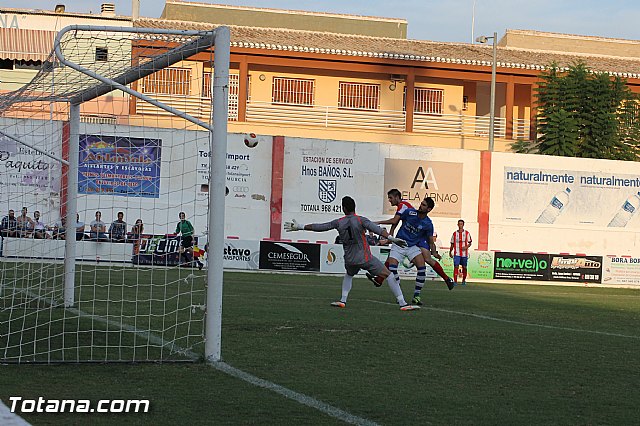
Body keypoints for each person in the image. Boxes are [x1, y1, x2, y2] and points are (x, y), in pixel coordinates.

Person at [284, 196, 419, 311]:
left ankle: (343, 300)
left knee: (349, 274)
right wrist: (391, 238)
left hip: (349, 258)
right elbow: (377, 229)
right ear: (354, 207)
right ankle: (403, 303)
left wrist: (300, 226)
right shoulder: (361, 220)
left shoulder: (339, 222)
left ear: (344, 208)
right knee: (388, 275)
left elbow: (321, 227)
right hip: (365, 257)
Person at [378, 197, 455, 306]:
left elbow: (431, 241)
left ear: (429, 209)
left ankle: (416, 296)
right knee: (392, 268)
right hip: (399, 244)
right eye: (421, 203)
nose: (420, 206)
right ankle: (397, 292)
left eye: (423, 205)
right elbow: (396, 221)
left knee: (422, 268)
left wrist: (434, 252)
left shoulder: (428, 224)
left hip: (412, 246)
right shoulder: (409, 212)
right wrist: (390, 237)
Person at [449, 219, 472, 285]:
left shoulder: (467, 233)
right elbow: (452, 244)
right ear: (457, 225)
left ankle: (464, 280)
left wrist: (466, 247)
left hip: (464, 254)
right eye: (459, 224)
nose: (460, 225)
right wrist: (450, 251)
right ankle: (455, 281)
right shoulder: (454, 233)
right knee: (456, 266)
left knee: (464, 267)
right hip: (457, 253)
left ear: (463, 225)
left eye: (461, 224)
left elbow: (470, 242)